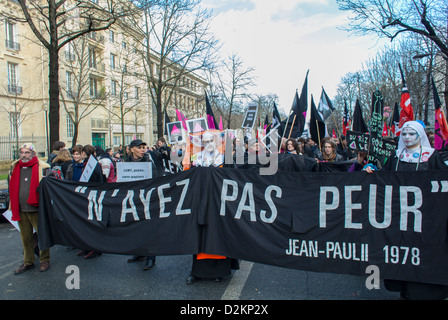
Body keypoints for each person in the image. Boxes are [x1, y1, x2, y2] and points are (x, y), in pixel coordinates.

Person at [364, 121, 448, 300]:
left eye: (412, 134)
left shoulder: (431, 156)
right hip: (400, 216)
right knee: (402, 252)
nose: (407, 137)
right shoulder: (396, 155)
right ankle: (404, 289)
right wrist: (372, 171)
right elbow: (385, 177)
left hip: (425, 216)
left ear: (420, 136)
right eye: (404, 134)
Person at [9, 143, 51, 274]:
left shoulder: (43, 168)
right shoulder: (15, 167)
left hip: (37, 208)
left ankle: (44, 260)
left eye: (27, 152)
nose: (23, 155)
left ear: (33, 154)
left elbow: (51, 186)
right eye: (22, 152)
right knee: (26, 238)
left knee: (42, 235)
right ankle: (28, 262)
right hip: (20, 208)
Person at [125, 139, 156, 270]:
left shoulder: (149, 163)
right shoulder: (125, 163)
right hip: (132, 200)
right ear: (132, 149)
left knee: (148, 229)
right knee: (135, 228)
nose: (143, 149)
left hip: (146, 199)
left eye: (144, 147)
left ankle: (150, 257)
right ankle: (138, 253)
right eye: (139, 147)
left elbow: (155, 180)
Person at [75, 145, 105, 259]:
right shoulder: (92, 163)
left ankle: (95, 249)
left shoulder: (92, 165)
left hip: (92, 196)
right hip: (90, 195)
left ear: (83, 153)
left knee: (91, 223)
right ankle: (87, 247)